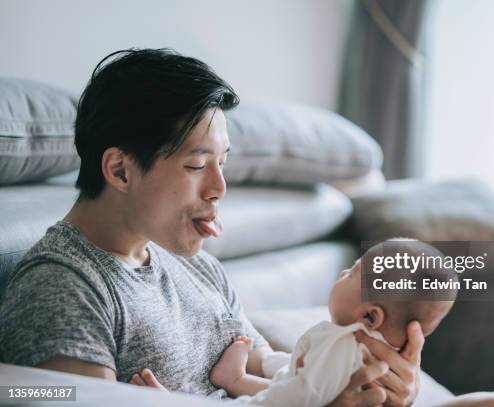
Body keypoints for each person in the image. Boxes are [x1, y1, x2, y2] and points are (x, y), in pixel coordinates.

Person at [0, 48, 422, 406]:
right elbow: (46, 397)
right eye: (197, 165)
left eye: (222, 164)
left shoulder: (197, 265)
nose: (220, 187)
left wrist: (376, 377)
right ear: (120, 170)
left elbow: (268, 365)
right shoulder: (63, 288)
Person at [131, 239, 456, 407]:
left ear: (370, 316)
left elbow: (297, 395)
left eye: (352, 272)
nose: (342, 274)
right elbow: (76, 395)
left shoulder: (346, 348)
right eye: (196, 165)